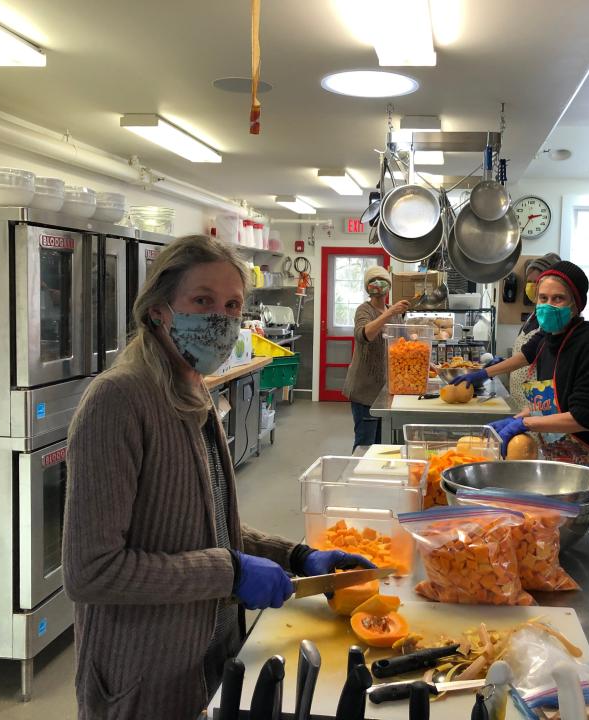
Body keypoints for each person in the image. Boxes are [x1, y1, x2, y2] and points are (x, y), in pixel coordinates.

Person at [63, 235, 371, 720]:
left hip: (212, 662)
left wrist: (296, 556)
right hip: (144, 679)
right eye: (202, 301)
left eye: (232, 305)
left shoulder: (192, 392)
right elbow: (92, 571)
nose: (221, 320)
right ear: (159, 309)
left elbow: (206, 529)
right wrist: (231, 572)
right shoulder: (118, 401)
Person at [450, 260, 589, 561]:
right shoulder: (548, 339)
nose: (548, 306)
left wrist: (529, 425)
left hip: (587, 469)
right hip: (557, 464)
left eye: (558, 299)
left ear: (576, 304)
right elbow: (535, 371)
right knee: (548, 545)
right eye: (543, 299)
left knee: (585, 554)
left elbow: (585, 416)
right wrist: (486, 376)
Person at [342, 265, 410, 450]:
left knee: (383, 444)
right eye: (374, 282)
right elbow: (364, 335)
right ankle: (359, 477)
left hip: (387, 391)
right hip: (365, 391)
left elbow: (405, 345)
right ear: (368, 288)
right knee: (365, 443)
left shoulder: (395, 314)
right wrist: (389, 313)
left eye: (383, 282)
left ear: (389, 286)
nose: (379, 286)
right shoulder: (364, 310)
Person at [506, 253, 562, 408]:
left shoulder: (551, 320)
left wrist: (486, 372)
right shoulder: (533, 314)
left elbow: (527, 355)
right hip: (520, 399)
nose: (530, 287)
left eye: (534, 282)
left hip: (537, 400)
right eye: (528, 282)